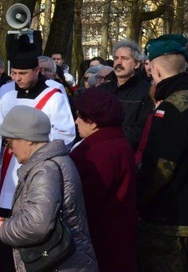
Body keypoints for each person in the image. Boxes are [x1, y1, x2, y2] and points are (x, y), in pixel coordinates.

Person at [0, 41, 75, 271]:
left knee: (34, 223)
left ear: (37, 71)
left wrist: (32, 146)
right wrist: (7, 143)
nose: (18, 79)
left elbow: (65, 133)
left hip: (40, 172)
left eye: (23, 73)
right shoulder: (6, 96)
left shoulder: (54, 95)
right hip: (10, 173)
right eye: (14, 73)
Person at [136, 37, 188, 272]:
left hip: (168, 220)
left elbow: (160, 167)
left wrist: (138, 198)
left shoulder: (171, 108)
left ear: (156, 69)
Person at [0, 106, 97, 271]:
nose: (9, 150)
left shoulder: (45, 170)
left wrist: (5, 229)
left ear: (28, 138)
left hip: (60, 265)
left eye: (9, 142)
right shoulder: (52, 162)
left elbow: (38, 225)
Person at [70, 88, 137, 272]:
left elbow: (88, 202)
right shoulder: (113, 143)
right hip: (112, 238)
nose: (76, 121)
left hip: (102, 242)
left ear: (92, 122)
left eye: (79, 116)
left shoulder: (100, 153)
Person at [100, 39, 154, 150]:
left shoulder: (147, 92)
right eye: (116, 58)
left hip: (126, 153)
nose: (119, 62)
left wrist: (109, 140)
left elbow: (140, 131)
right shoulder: (102, 90)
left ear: (137, 64)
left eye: (124, 58)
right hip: (99, 150)